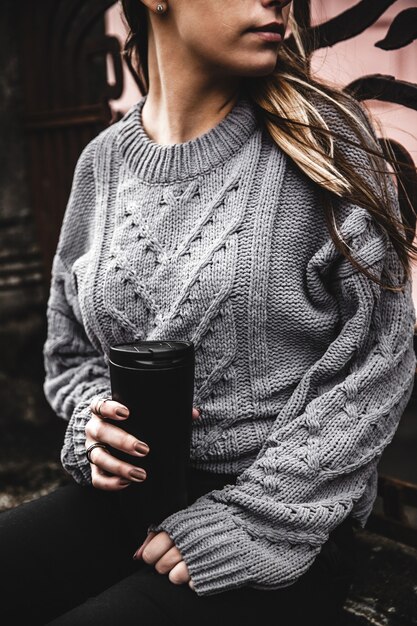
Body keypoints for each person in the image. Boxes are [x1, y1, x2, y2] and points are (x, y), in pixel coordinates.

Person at [1, 0, 416, 624]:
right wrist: (96, 424)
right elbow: (72, 352)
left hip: (284, 524)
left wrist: (256, 516)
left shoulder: (327, 144)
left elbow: (379, 360)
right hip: (129, 501)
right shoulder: (102, 164)